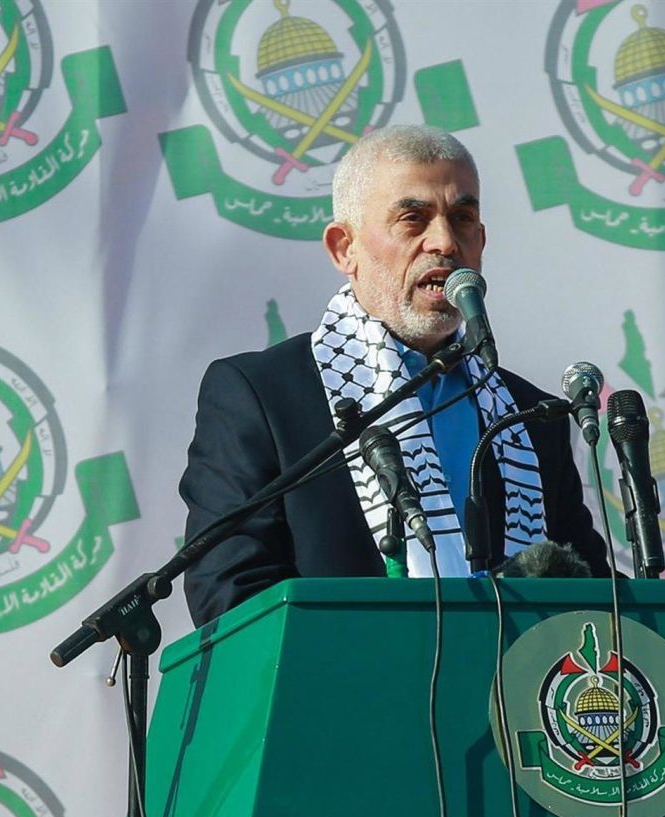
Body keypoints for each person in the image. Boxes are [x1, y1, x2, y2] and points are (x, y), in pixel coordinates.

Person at [180, 125, 609, 628]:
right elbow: (230, 594)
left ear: (481, 241)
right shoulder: (264, 395)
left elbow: (593, 601)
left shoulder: (529, 415)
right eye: (413, 219)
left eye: (462, 218)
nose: (444, 242)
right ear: (344, 248)